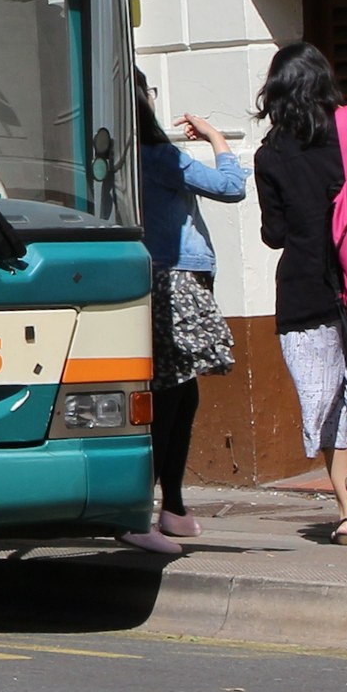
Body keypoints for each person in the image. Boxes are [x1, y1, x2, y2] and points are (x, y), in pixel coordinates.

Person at [252, 43, 347, 546]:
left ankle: (344, 516)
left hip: (303, 292)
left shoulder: (269, 154)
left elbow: (274, 234)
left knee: (327, 407)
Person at [126, 77, 245, 553]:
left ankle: (172, 505)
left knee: (182, 393)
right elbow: (231, 187)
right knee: (171, 397)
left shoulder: (121, 158)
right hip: (175, 280)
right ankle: (139, 513)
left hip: (154, 279)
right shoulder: (159, 157)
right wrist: (216, 138)